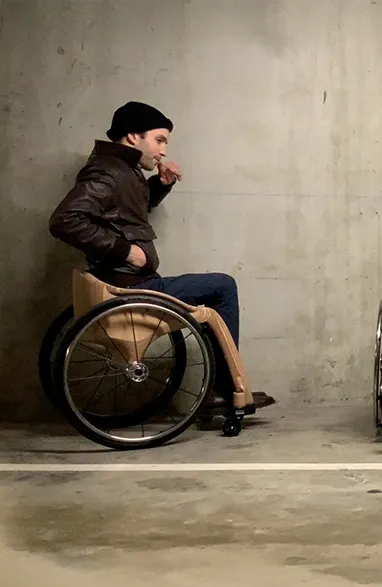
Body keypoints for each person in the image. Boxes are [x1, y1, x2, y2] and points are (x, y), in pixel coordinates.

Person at [48, 101, 274, 414]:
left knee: (215, 290)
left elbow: (125, 213)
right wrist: (126, 251)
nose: (163, 151)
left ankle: (219, 390)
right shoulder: (107, 173)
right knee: (223, 287)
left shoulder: (121, 169)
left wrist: (160, 185)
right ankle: (222, 391)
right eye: (159, 140)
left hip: (129, 283)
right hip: (131, 288)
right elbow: (65, 220)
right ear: (133, 136)